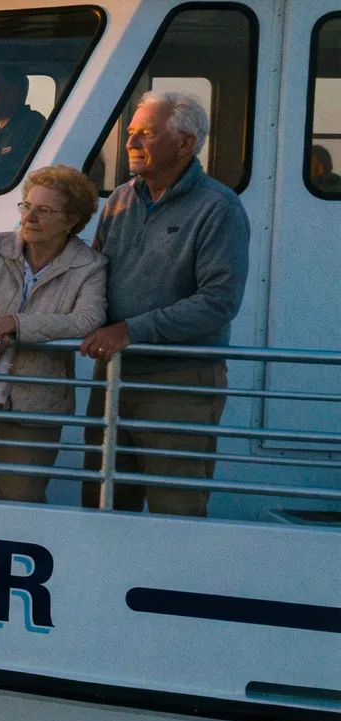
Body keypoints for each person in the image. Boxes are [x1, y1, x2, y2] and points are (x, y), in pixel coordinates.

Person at [79, 91, 249, 516]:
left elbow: (218, 302)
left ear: (185, 143)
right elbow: (94, 274)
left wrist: (131, 330)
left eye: (146, 134)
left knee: (176, 510)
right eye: (132, 133)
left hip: (178, 384)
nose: (131, 142)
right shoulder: (118, 199)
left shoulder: (219, 208)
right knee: (104, 504)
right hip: (114, 378)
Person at [0, 165, 108, 502]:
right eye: (26, 206)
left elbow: (88, 319)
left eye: (43, 210)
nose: (29, 217)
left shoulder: (90, 265)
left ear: (71, 220)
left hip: (35, 405)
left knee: (20, 503)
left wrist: (15, 324)